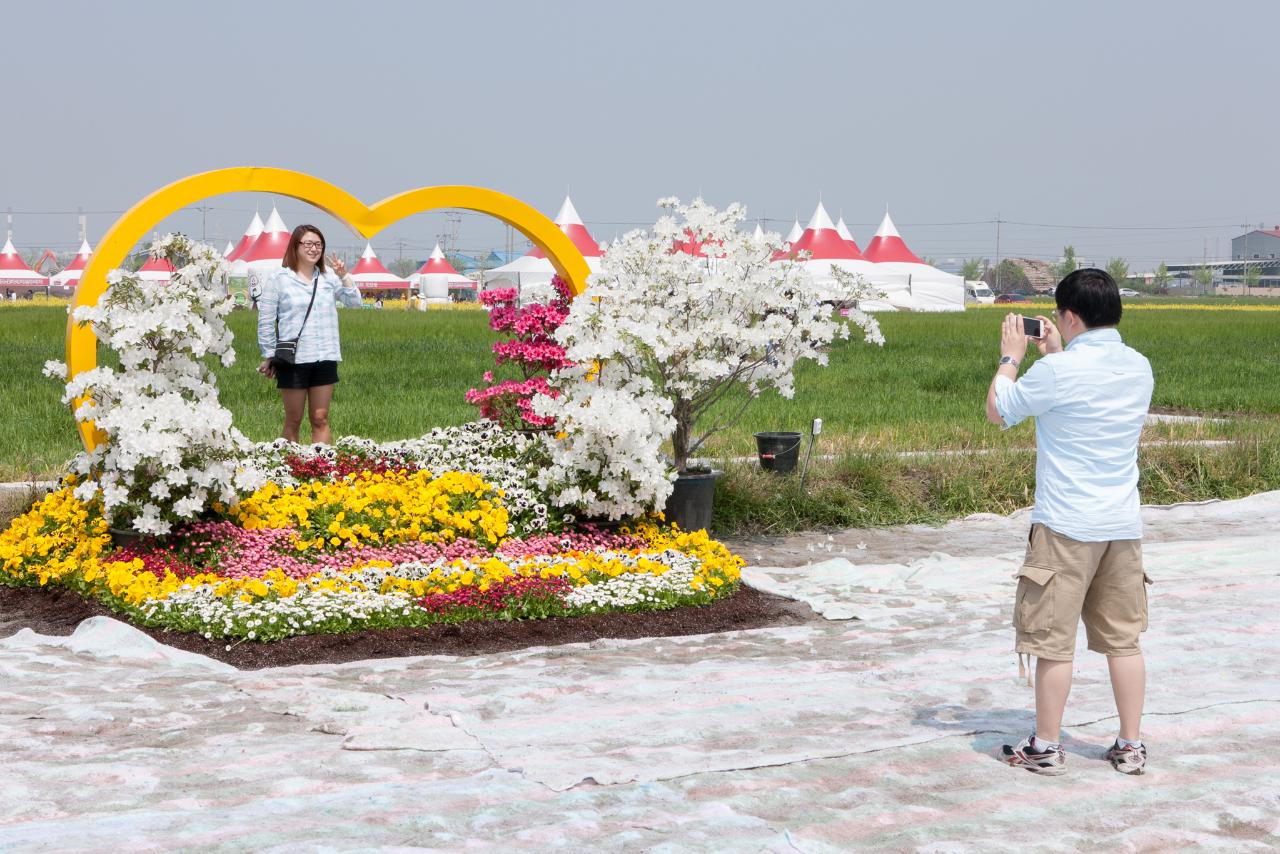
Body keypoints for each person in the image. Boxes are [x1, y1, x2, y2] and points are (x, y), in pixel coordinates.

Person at [985, 268, 1154, 776]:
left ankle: (1045, 745)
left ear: (1070, 316)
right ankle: (1129, 744)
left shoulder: (1056, 374)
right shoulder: (1139, 366)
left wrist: (1012, 356)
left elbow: (999, 411)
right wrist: (1056, 354)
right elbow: (1083, 399)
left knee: (1052, 642)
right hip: (1121, 526)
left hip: (1065, 526)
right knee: (1123, 640)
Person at [257, 225, 363, 444]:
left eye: (318, 244)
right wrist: (269, 355)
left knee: (320, 418)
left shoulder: (329, 278)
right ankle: (288, 469)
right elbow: (266, 321)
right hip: (293, 359)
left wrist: (344, 276)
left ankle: (322, 470)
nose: (314, 249)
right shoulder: (279, 279)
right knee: (293, 419)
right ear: (295, 246)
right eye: (308, 243)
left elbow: (355, 303)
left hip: (325, 355)